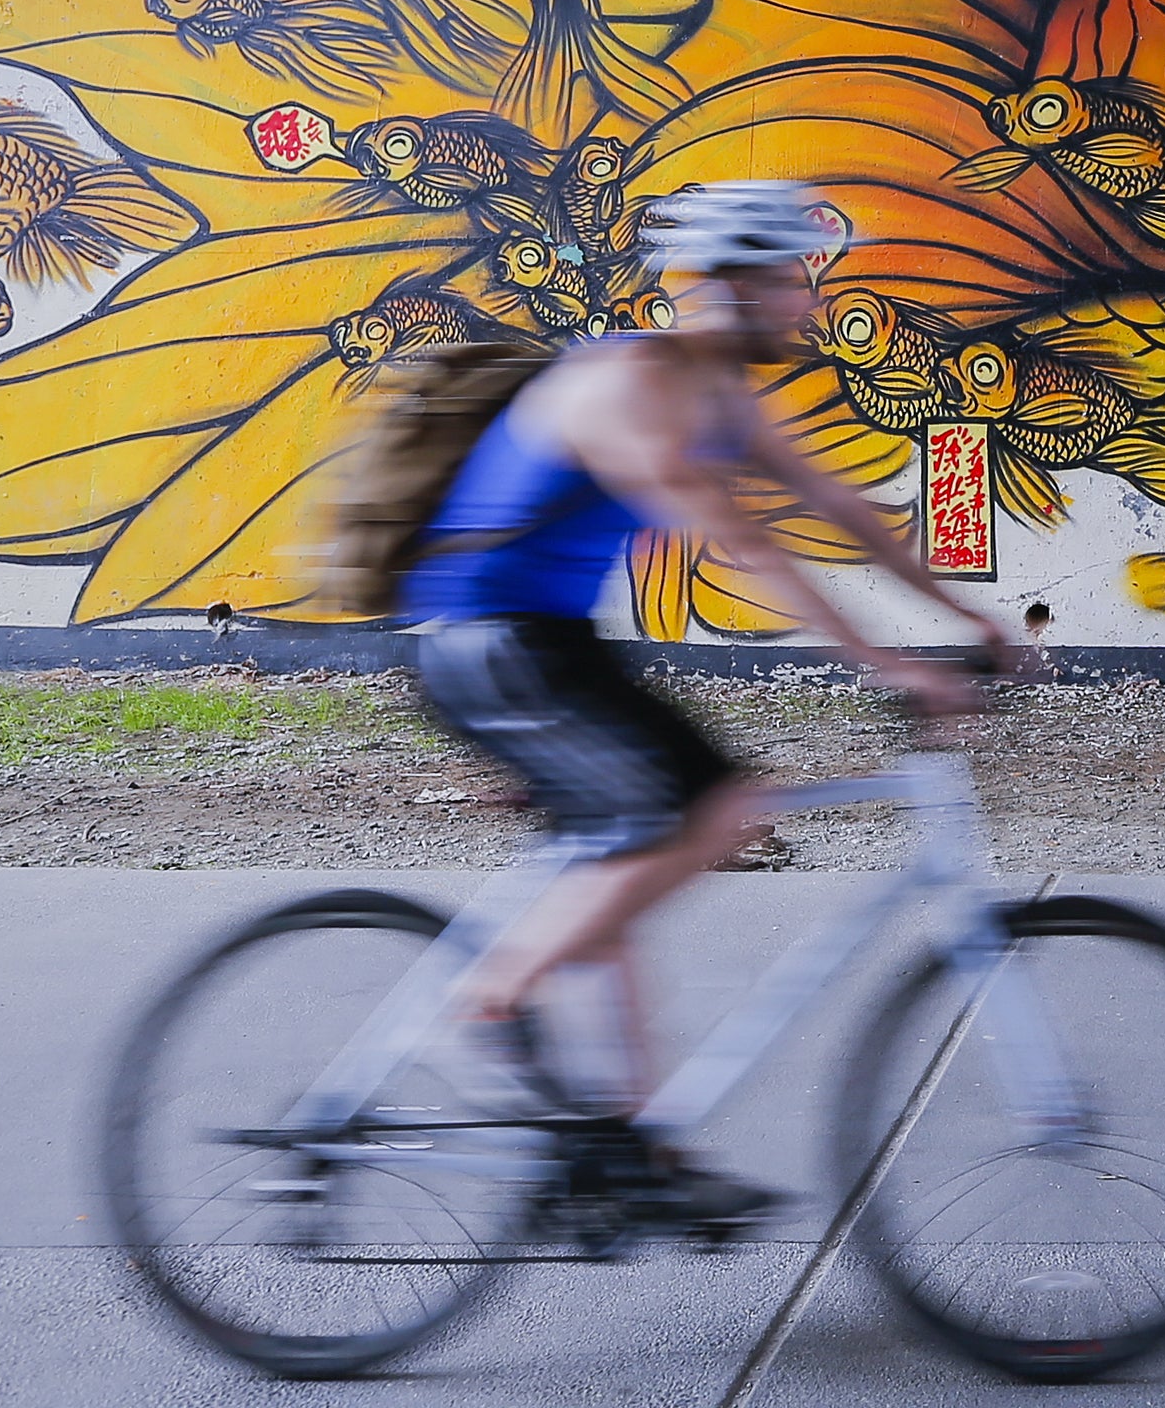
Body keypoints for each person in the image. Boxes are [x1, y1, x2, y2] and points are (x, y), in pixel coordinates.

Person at [405, 178, 1010, 1232]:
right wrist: (887, 663)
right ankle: (487, 1005)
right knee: (708, 812)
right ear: (733, 287)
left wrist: (971, 620)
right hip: (489, 643)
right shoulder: (636, 387)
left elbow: (841, 513)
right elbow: (746, 541)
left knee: (632, 853)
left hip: (550, 647)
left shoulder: (719, 392)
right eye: (793, 280)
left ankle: (634, 1148)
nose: (810, 303)